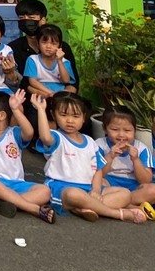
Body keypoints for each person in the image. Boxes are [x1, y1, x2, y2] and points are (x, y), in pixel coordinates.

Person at [33, 92, 146, 222]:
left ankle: (84, 208)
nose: (70, 120)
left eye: (76, 116)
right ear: (54, 115)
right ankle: (116, 213)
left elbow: (98, 170)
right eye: (63, 115)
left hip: (88, 189)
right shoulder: (57, 137)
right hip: (63, 188)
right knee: (73, 194)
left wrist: (96, 191)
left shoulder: (90, 142)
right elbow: (45, 137)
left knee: (125, 194)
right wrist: (41, 110)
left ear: (83, 118)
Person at [0, 90, 55, 222]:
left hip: (15, 184)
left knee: (45, 191)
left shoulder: (14, 133)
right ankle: (32, 208)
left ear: (2, 115)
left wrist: (15, 109)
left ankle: (3, 203)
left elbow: (29, 132)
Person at [8, 0, 78, 94]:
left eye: (31, 18)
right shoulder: (14, 47)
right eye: (21, 18)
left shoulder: (62, 47)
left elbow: (72, 81)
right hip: (30, 97)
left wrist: (64, 96)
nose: (26, 21)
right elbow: (23, 83)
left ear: (43, 20)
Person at [96, 106, 155, 213]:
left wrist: (135, 160)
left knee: (152, 190)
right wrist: (110, 156)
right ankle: (130, 206)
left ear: (135, 130)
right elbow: (98, 173)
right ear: (105, 128)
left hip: (133, 187)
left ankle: (119, 202)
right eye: (115, 130)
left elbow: (146, 180)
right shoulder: (99, 145)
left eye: (127, 130)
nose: (121, 135)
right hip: (109, 184)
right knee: (97, 182)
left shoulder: (141, 148)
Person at [23, 24, 78, 96]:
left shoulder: (64, 62)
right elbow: (33, 82)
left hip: (60, 94)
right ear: (38, 44)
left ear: (60, 46)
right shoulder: (32, 59)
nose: (48, 46)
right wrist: (50, 93)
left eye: (53, 43)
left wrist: (60, 61)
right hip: (41, 92)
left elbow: (66, 80)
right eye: (44, 42)